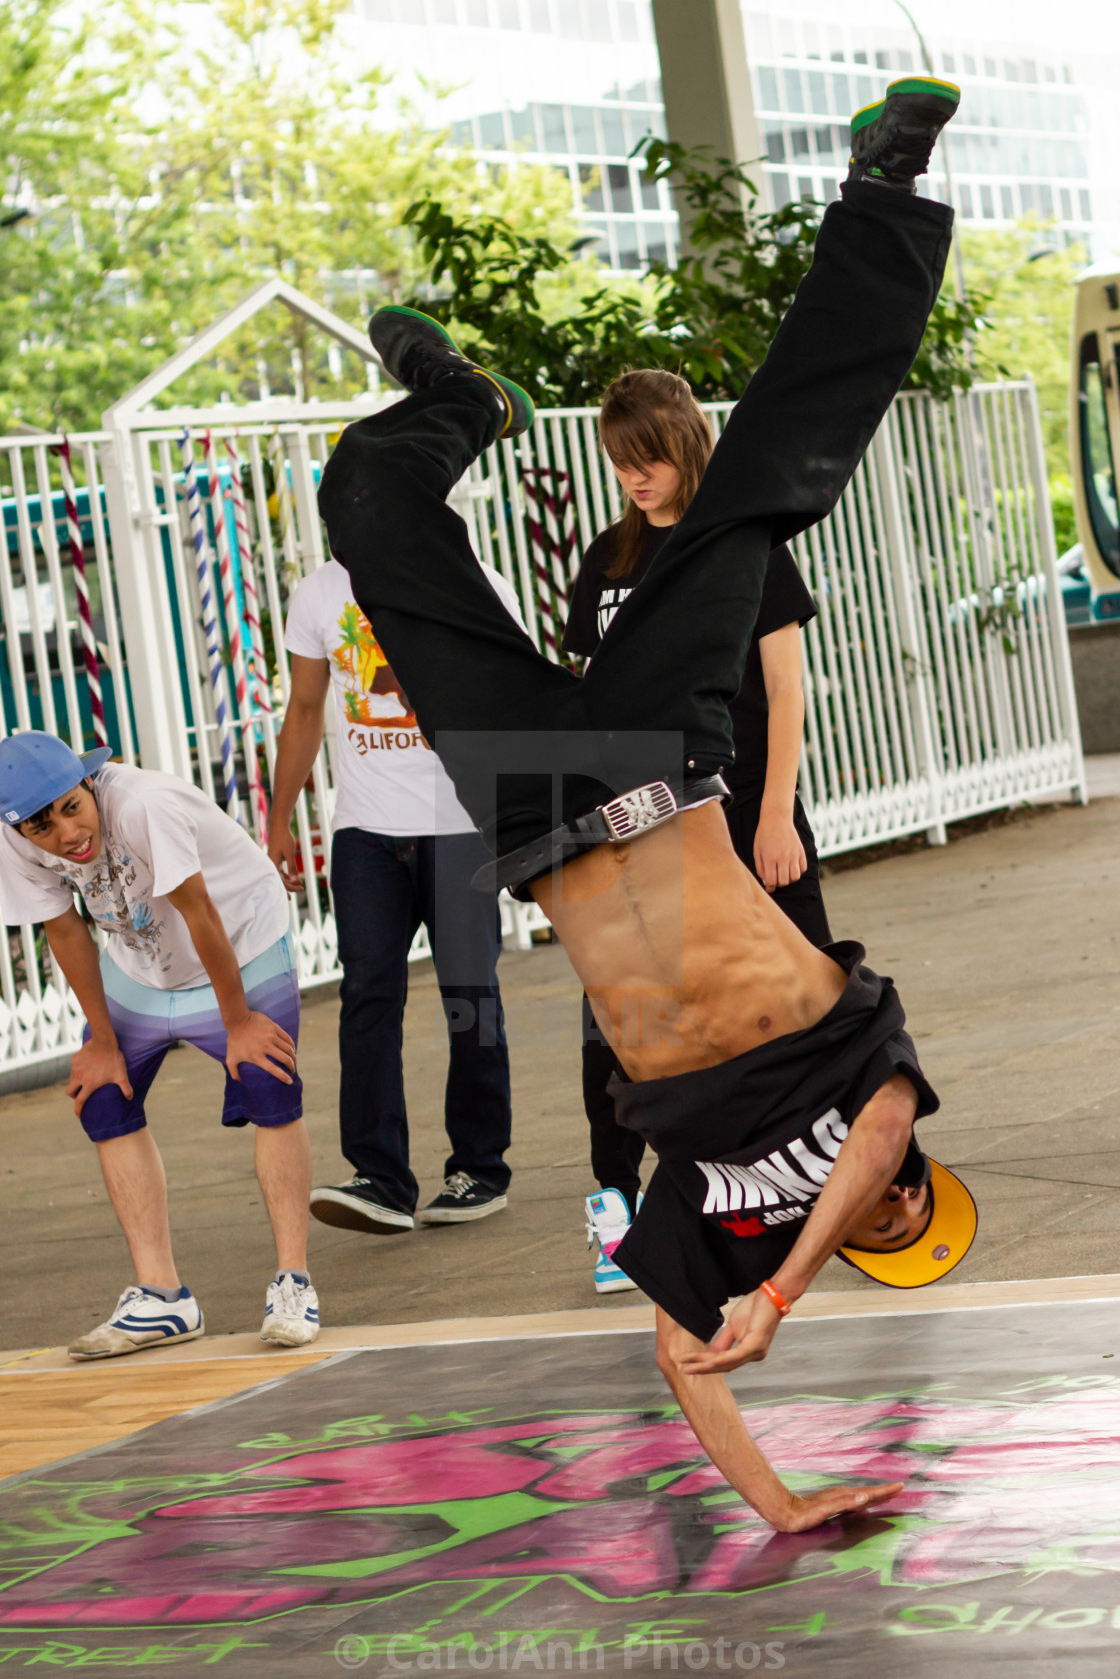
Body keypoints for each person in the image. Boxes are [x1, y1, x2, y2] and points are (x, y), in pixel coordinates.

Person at [319, 80, 979, 1533]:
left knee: (366, 507)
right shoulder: (879, 1092)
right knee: (761, 492)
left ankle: (452, 407)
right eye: (915, 1207)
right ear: (916, 1179)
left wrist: (788, 1504)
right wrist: (794, 1292)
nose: (895, 1212)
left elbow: (685, 1356)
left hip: (538, 819)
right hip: (658, 769)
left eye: (895, 1235)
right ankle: (887, 192)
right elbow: (867, 1145)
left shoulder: (728, 1219)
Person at [563, 370, 831, 1292]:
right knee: (621, 1017)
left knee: (815, 995)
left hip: (746, 809)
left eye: (649, 457)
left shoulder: (740, 543)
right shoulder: (606, 562)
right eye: (620, 462)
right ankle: (614, 1203)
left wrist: (774, 817)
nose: (635, 476)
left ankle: (837, 1184)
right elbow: (585, 694)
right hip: (636, 829)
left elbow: (788, 691)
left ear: (684, 443)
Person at [0, 732, 318, 1359]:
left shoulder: (144, 805)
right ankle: (163, 1298)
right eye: (43, 827)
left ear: (88, 782)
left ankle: (293, 1283)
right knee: (102, 1097)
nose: (67, 835)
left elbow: (201, 913)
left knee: (267, 1081)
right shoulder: (10, 841)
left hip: (241, 941)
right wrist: (101, 1041)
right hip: (143, 962)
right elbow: (63, 930)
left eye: (71, 806)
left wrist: (238, 1025)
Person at [268, 554, 521, 1233]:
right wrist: (279, 818)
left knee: (471, 996)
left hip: (458, 827)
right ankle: (380, 1176)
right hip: (365, 832)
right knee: (367, 996)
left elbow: (511, 690)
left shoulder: (471, 576)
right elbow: (304, 708)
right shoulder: (319, 592)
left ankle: (479, 1168)